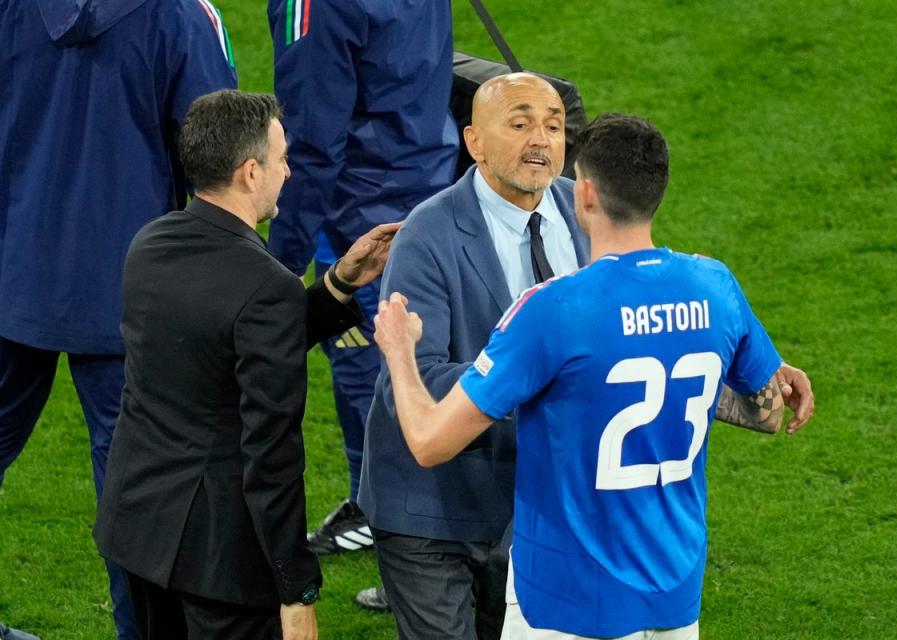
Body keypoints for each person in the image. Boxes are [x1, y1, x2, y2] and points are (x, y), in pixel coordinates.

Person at [372, 113, 815, 639]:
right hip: (673, 596)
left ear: (583, 193)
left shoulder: (552, 309)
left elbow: (427, 443)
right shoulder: (713, 283)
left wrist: (400, 352)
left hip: (567, 603)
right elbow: (768, 411)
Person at [93, 90, 399, 640]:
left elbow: (214, 343)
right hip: (219, 563)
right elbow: (272, 457)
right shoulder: (265, 286)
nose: (289, 170)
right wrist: (298, 589)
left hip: (137, 529)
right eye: (282, 159)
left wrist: (337, 285)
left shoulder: (151, 243)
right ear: (250, 171)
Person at [0, 0, 237, 637]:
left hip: (11, 270)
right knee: (139, 493)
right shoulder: (183, 15)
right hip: (132, 290)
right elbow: (218, 159)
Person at [358, 72, 588, 639]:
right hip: (432, 508)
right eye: (520, 123)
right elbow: (420, 373)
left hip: (536, 506)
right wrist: (550, 381)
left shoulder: (582, 210)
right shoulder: (427, 233)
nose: (541, 140)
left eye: (553, 126)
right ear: (474, 142)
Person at [265, 0, 460, 563]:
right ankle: (371, 508)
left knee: (375, 382)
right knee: (409, 371)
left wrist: (283, 260)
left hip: (358, 222)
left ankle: (413, 547)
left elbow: (310, 135)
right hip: (423, 188)